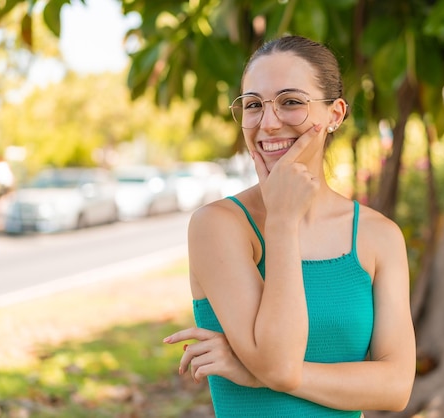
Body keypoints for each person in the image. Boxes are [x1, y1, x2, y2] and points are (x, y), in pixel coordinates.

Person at [163, 35, 416, 417]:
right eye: (253, 105)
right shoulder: (218, 226)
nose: (268, 123)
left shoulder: (378, 236)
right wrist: (281, 220)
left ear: (335, 114)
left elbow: (395, 388)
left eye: (291, 102)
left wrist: (260, 373)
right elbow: (278, 363)